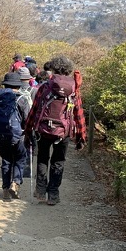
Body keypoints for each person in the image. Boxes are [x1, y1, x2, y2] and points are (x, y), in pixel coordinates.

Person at [24, 55, 87, 206]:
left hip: (43, 130)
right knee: (58, 161)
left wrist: (28, 130)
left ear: (53, 68)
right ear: (68, 70)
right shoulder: (73, 90)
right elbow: (78, 114)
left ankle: (40, 190)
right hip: (63, 132)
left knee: (43, 158)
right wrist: (81, 137)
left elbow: (34, 110)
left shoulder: (45, 87)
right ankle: (53, 194)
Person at [0, 72, 30, 200]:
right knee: (20, 158)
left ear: (5, 85)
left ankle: (5, 189)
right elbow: (27, 119)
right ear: (19, 85)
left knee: (6, 160)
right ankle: (15, 182)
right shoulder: (22, 99)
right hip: (18, 135)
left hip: (0, 134)